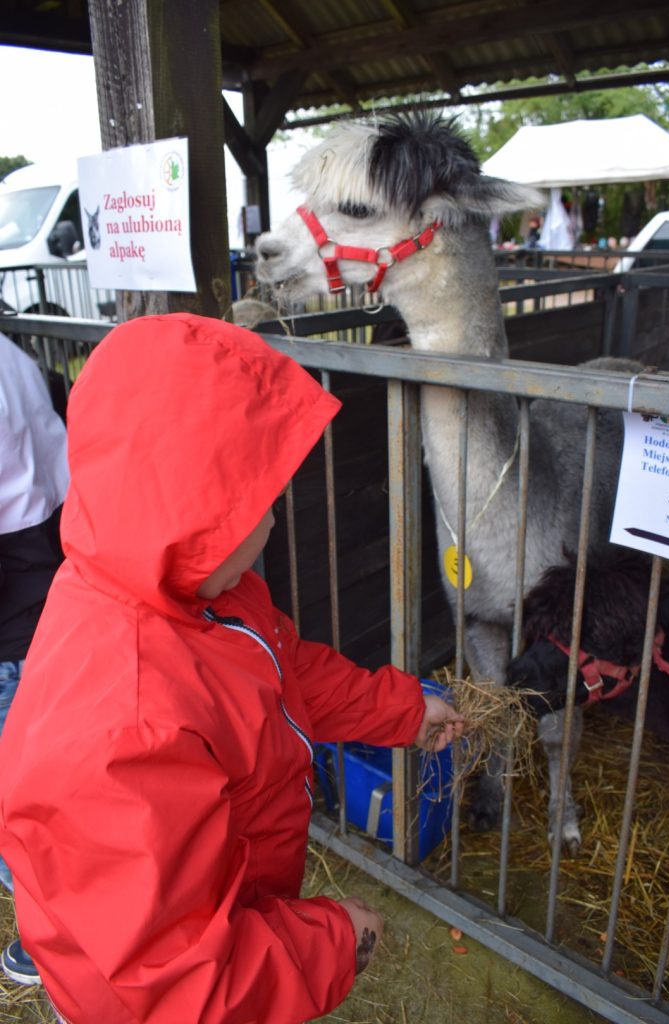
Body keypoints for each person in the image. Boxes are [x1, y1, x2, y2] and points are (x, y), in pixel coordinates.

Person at [0, 313, 462, 1024]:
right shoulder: (124, 727)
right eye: (251, 500)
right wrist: (334, 940)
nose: (274, 521)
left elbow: (280, 673)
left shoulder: (185, 586)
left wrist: (399, 709)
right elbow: (168, 987)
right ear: (184, 504)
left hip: (230, 902)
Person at [0, 332, 69, 986]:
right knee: (44, 788)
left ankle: (47, 937)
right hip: (50, 597)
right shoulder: (13, 356)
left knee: (24, 799)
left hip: (14, 626)